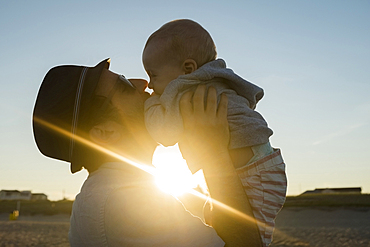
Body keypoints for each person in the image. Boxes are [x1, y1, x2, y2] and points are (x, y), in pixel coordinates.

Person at [32, 58, 263, 246]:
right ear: (105, 132)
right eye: (122, 84)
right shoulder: (124, 201)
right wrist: (213, 156)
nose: (143, 82)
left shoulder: (118, 189)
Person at [143, 19, 287, 246]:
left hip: (254, 173)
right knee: (217, 218)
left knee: (253, 237)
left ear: (187, 69)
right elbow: (251, 96)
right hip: (262, 165)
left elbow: (165, 133)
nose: (149, 85)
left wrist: (150, 105)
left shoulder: (183, 89)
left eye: (153, 75)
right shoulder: (218, 78)